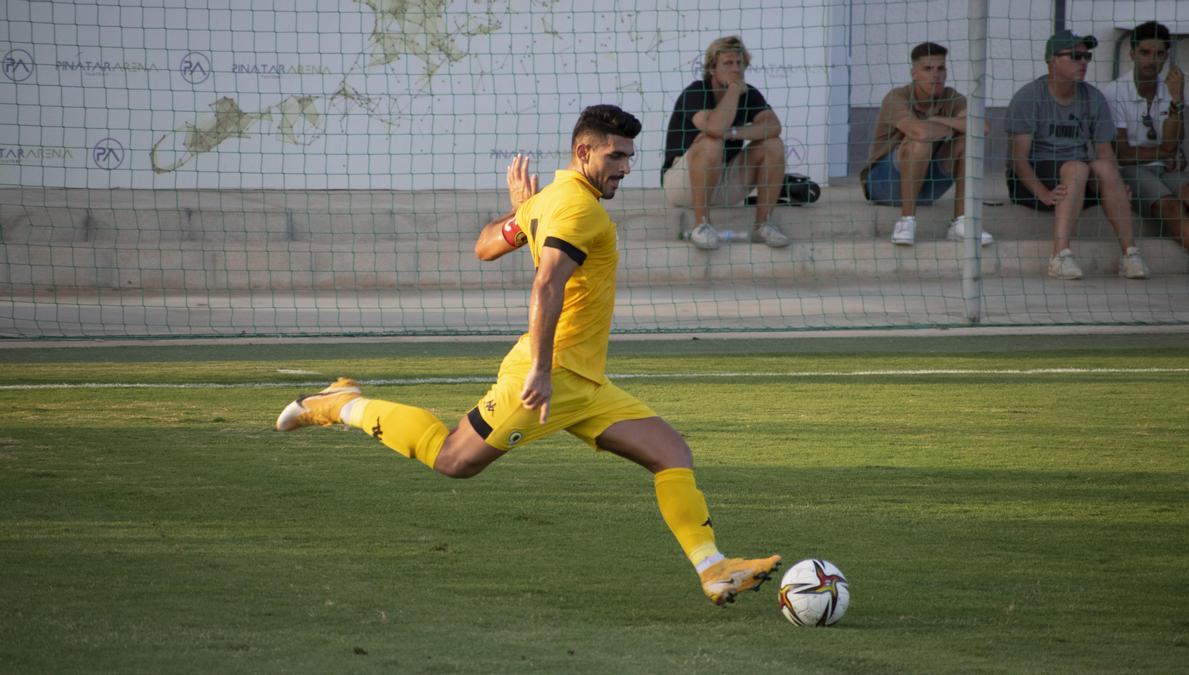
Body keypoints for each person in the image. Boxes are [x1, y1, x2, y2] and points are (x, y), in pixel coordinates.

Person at [275, 105, 781, 606]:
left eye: (629, 157)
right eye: (615, 156)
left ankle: (714, 569)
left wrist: (521, 211)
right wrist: (539, 367)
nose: (626, 168)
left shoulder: (554, 199)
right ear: (584, 151)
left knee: (671, 452)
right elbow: (546, 283)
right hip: (550, 373)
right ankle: (338, 404)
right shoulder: (578, 208)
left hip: (584, 382)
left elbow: (485, 245)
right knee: (454, 460)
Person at [1006, 30, 1149, 280]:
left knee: (1103, 169)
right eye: (1075, 56)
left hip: (1077, 176)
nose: (1083, 62)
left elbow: (1105, 152)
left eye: (1086, 56)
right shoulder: (1029, 97)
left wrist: (1117, 183)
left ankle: (1130, 254)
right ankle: (1059, 256)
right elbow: (1018, 159)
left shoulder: (1093, 97)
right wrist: (1043, 193)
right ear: (1052, 60)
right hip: (1036, 175)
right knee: (1077, 168)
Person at [662, 35, 790, 250]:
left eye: (739, 63)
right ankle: (701, 225)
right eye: (728, 63)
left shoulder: (748, 94)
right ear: (713, 68)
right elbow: (714, 127)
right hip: (683, 184)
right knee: (711, 142)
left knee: (773, 144)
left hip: (724, 182)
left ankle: (763, 225)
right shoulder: (696, 91)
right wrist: (732, 91)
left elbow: (773, 126)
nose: (735, 69)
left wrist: (732, 133)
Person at [861, 42, 994, 247]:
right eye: (928, 69)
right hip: (884, 182)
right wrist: (957, 125)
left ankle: (961, 222)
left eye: (940, 68)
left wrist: (939, 121)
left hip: (929, 185)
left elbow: (982, 127)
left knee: (969, 140)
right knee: (919, 141)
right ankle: (906, 222)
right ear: (914, 73)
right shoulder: (897, 97)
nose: (935, 75)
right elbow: (919, 132)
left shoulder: (951, 97)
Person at [1101, 21, 1189, 258]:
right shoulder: (1115, 92)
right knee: (1171, 206)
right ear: (1132, 53)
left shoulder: (1170, 88)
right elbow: (1123, 154)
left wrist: (1176, 100)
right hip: (1131, 169)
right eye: (1145, 52)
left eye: (1159, 54)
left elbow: (1175, 140)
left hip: (1163, 166)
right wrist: (1167, 152)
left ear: (1166, 57)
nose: (1151, 60)